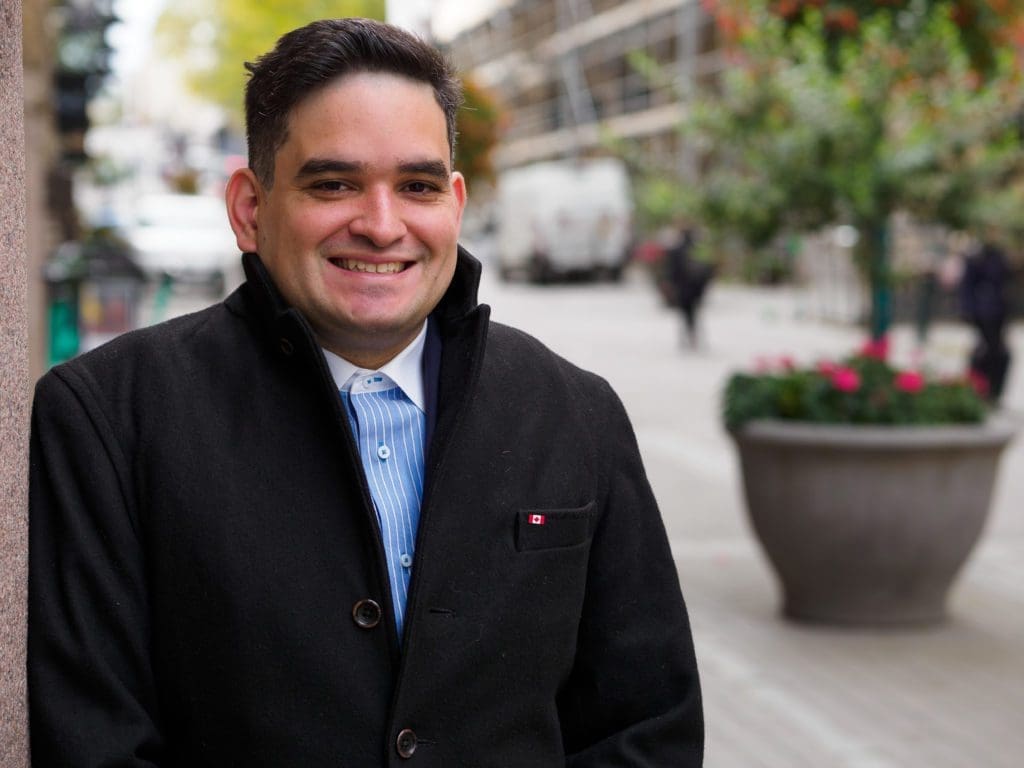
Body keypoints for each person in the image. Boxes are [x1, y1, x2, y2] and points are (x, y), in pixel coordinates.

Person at [28, 18, 703, 767]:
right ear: (250, 209)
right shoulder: (105, 418)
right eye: (335, 183)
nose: (382, 226)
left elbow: (649, 728)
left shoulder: (578, 413)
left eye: (415, 186)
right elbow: (94, 743)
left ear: (454, 202)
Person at [959, 239, 1012, 403]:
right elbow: (967, 285)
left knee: (998, 351)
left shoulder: (1000, 255)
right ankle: (980, 389)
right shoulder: (977, 257)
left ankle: (992, 390)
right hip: (982, 311)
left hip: (998, 311)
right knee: (986, 350)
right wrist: (968, 309)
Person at [664, 222, 713, 348]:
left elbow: (671, 270)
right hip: (696, 287)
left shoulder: (676, 250)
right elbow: (709, 269)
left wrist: (670, 284)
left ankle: (688, 335)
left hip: (683, 287)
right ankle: (692, 335)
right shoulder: (698, 249)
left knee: (686, 313)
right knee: (693, 312)